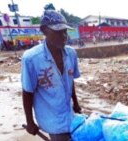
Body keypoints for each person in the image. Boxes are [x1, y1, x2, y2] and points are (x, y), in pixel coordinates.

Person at [21, 10, 82, 141]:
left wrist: (76, 104)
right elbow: (27, 92)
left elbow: (70, 82)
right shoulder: (31, 59)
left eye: (65, 31)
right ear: (44, 30)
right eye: (58, 32)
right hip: (52, 120)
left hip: (70, 116)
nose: (64, 36)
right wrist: (30, 122)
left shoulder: (71, 54)